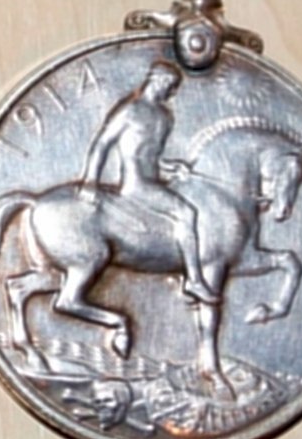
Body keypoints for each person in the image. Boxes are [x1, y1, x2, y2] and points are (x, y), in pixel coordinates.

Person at [83, 61, 209, 301]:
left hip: (154, 181)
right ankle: (194, 280)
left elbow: (152, 157)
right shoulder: (130, 110)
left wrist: (172, 167)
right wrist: (91, 180)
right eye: (168, 85)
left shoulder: (165, 117)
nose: (170, 91)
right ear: (156, 79)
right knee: (186, 212)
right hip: (136, 185)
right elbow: (102, 144)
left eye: (173, 87)